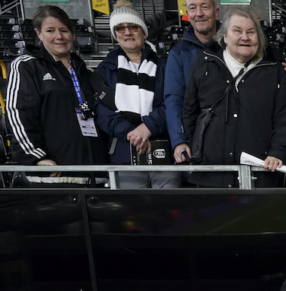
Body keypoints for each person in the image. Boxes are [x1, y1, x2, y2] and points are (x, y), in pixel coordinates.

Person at [182, 7, 286, 188]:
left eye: (251, 32)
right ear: (225, 36)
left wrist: (278, 152)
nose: (245, 37)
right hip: (211, 176)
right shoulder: (205, 63)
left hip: (260, 175)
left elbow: (284, 118)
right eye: (237, 31)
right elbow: (189, 110)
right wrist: (197, 149)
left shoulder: (275, 70)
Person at [7, 5, 108, 185]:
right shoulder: (26, 66)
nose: (59, 36)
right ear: (39, 34)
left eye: (64, 30)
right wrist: (37, 158)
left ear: (72, 33)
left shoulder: (85, 71)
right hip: (53, 177)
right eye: (50, 30)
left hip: (95, 176)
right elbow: (18, 114)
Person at [94, 1, 178, 189]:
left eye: (133, 26)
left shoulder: (165, 66)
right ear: (115, 34)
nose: (127, 32)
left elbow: (173, 102)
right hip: (124, 152)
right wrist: (132, 134)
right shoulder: (105, 69)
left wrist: (148, 126)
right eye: (120, 28)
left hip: (162, 149)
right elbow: (103, 112)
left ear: (142, 30)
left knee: (170, 211)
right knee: (132, 213)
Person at [165, 0, 220, 165]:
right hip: (195, 141)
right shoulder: (178, 53)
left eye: (204, 6)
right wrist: (179, 140)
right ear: (187, 14)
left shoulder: (231, 47)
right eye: (192, 8)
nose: (199, 13)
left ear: (216, 12)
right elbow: (173, 100)